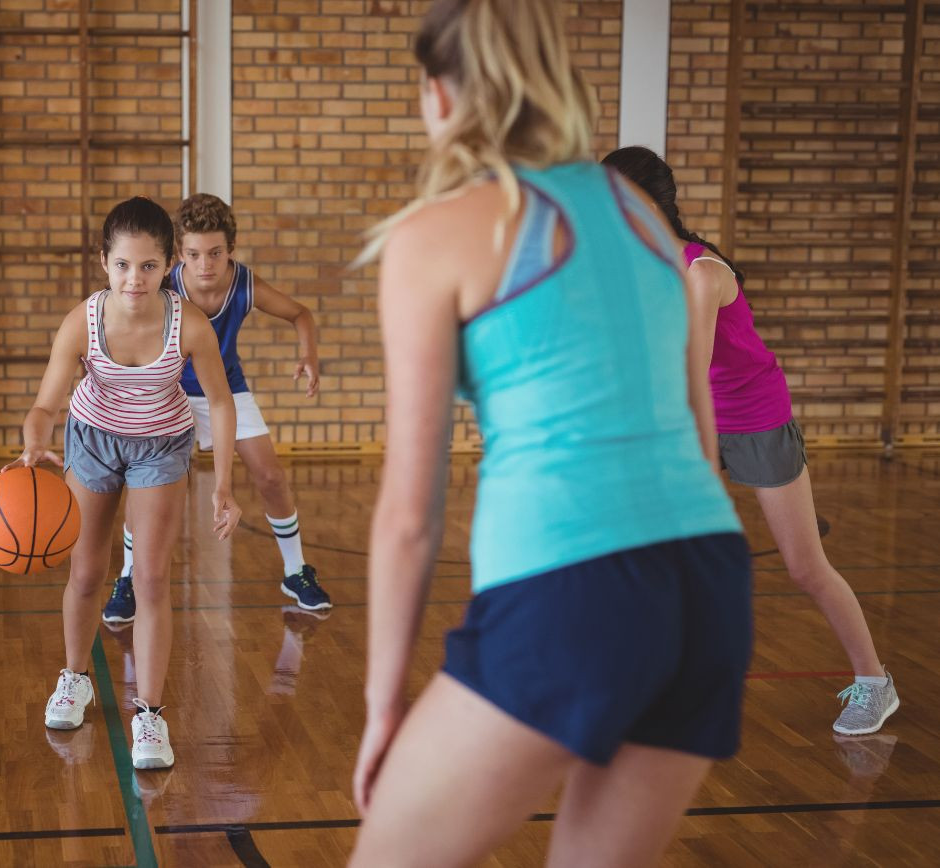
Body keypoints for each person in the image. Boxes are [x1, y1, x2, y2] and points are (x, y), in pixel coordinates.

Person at [349, 1, 752, 864]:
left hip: (573, 590)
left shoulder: (437, 234)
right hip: (710, 582)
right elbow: (700, 436)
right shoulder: (640, 214)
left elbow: (410, 515)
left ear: (438, 93)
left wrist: (384, 706)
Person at [602, 146, 899, 736]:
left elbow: (692, 374)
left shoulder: (702, 274)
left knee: (805, 567)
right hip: (696, 412)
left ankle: (875, 682)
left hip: (753, 416)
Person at [6, 197, 241, 770]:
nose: (134, 278)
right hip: (93, 439)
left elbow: (220, 401)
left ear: (169, 266)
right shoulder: (82, 323)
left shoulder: (189, 323)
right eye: (122, 265)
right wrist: (34, 441)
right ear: (103, 263)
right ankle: (74, 678)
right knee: (87, 573)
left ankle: (150, 714)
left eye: (148, 266)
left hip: (161, 444)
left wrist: (224, 484)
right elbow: (44, 405)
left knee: (151, 578)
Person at [102, 193, 331, 624]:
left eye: (215, 253)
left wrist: (309, 355)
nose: (204, 264)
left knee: (271, 475)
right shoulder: (162, 284)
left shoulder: (244, 284)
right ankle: (129, 575)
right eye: (193, 254)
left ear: (231, 250)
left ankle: (296, 570)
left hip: (225, 389)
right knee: (143, 488)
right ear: (177, 254)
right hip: (168, 389)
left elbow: (300, 314)